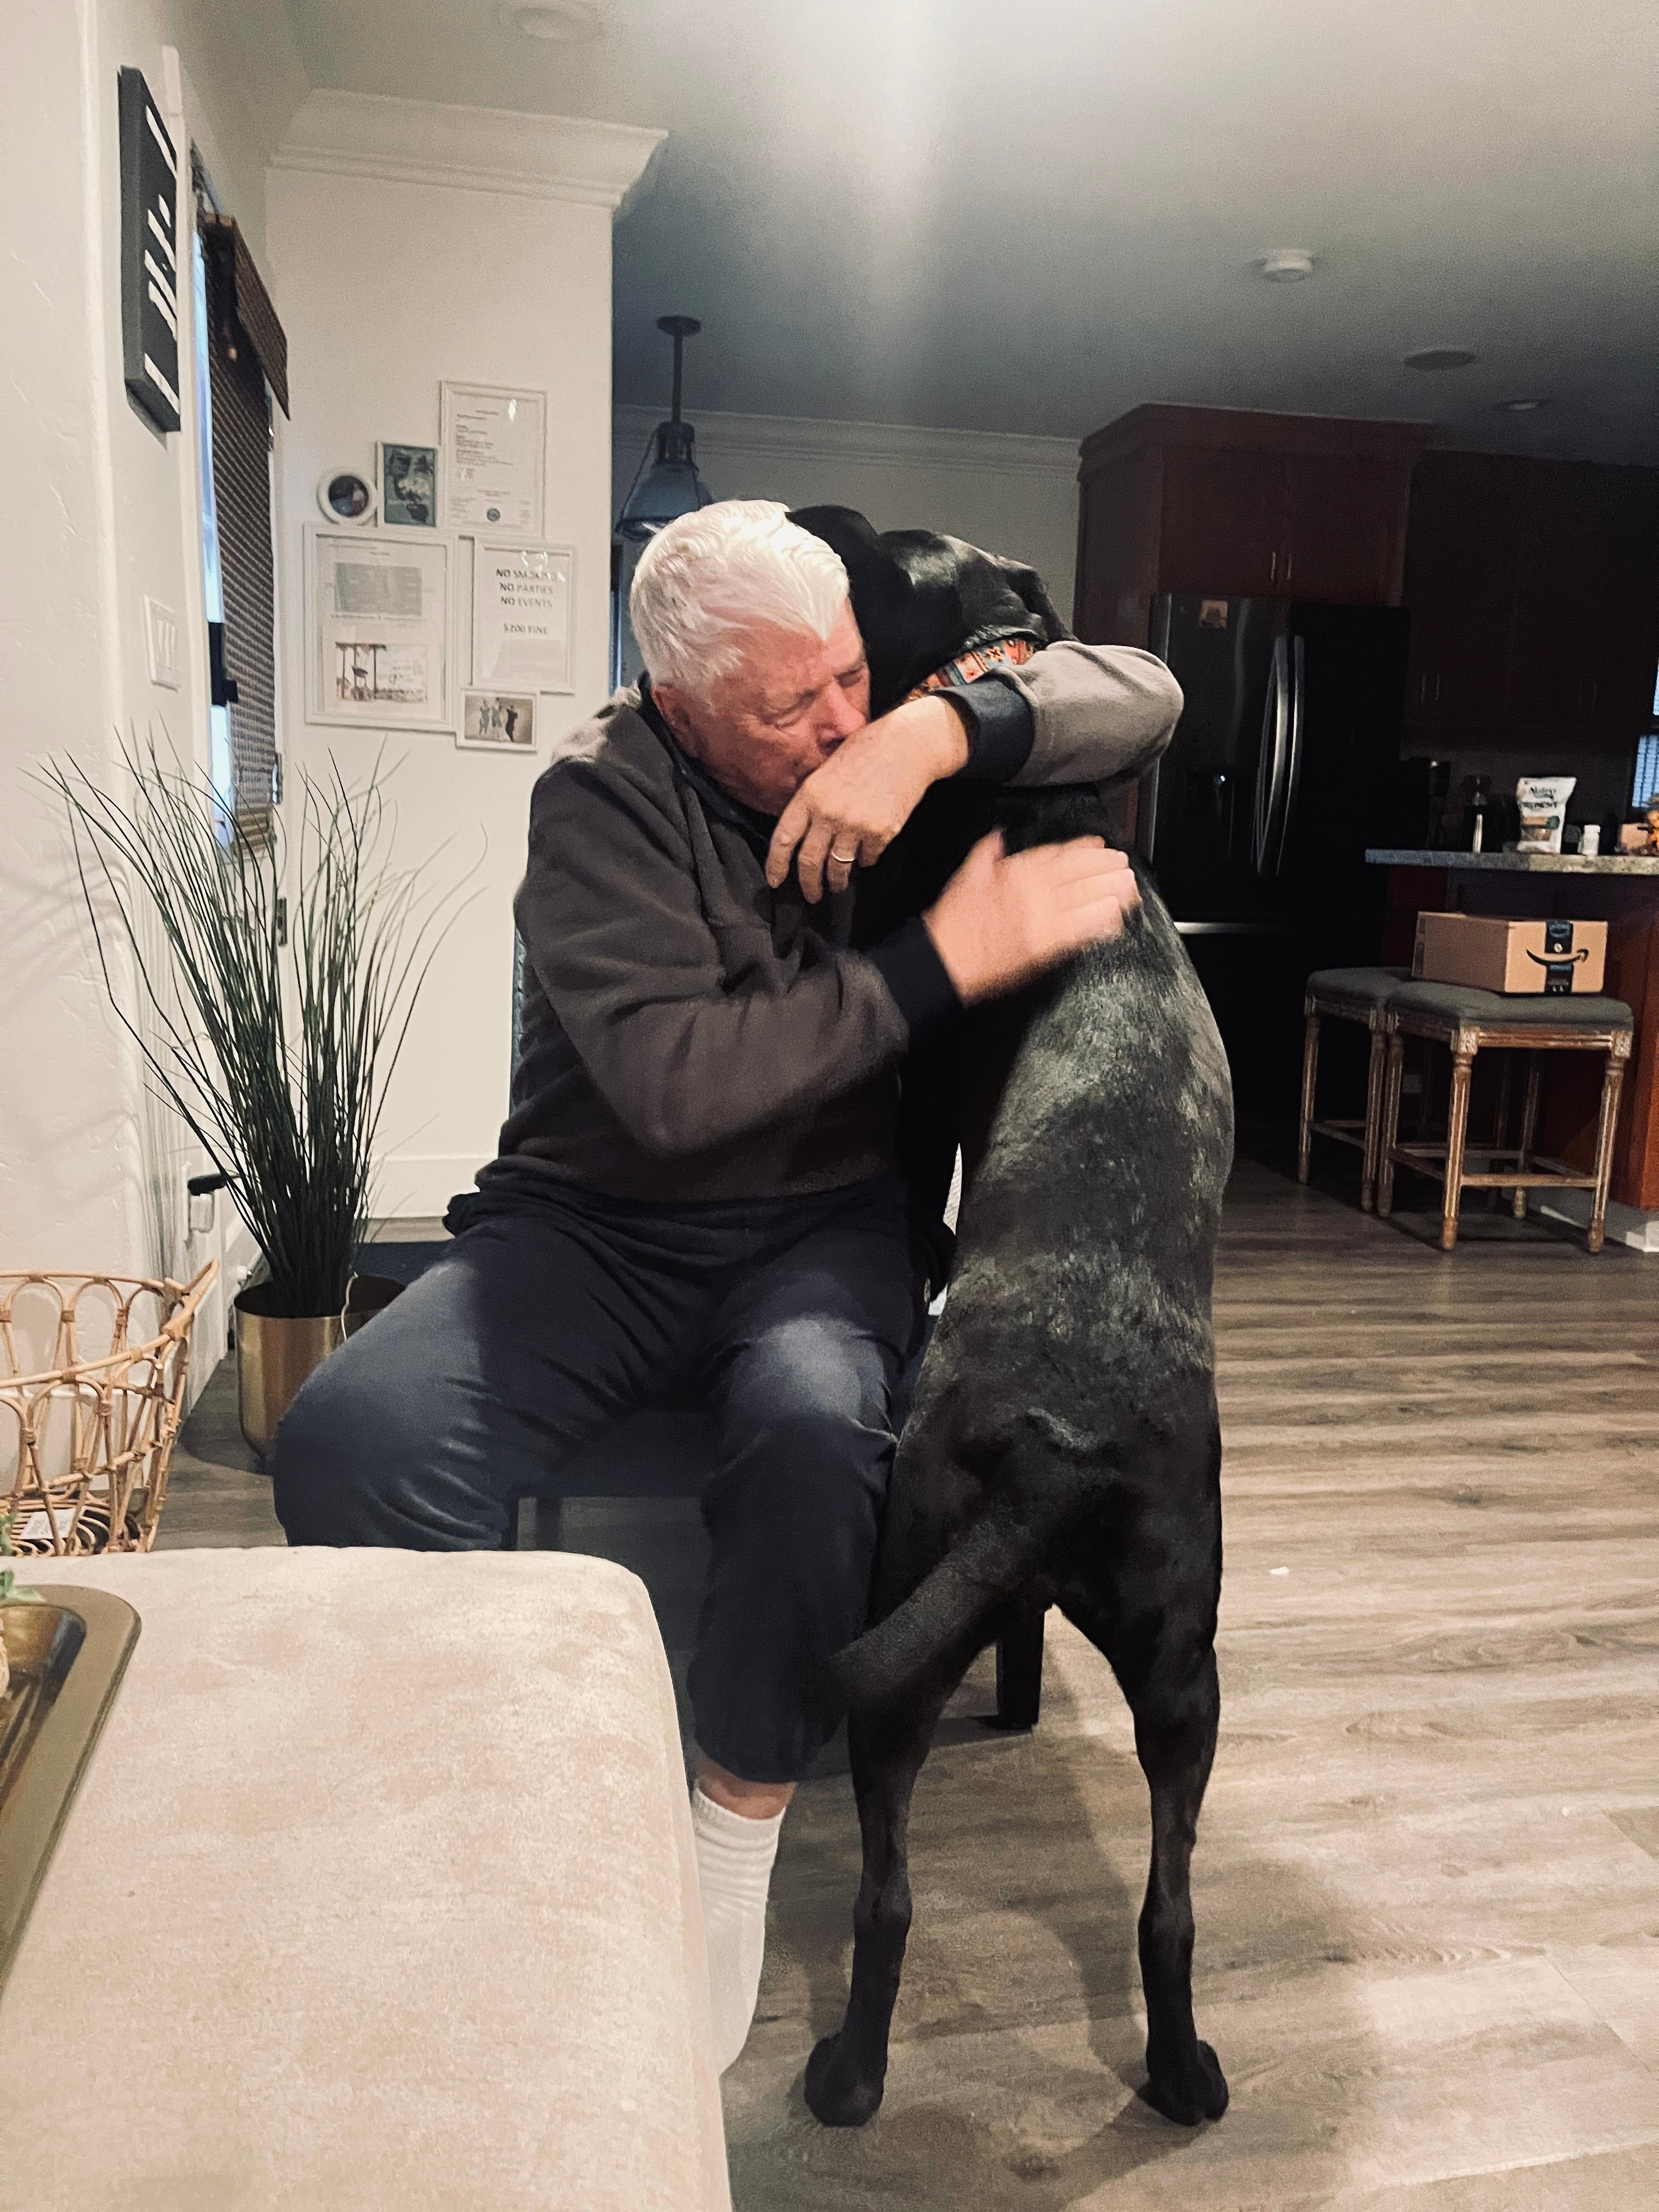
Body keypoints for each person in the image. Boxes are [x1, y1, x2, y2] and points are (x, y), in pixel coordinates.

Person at [270, 499, 1183, 2071]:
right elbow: (678, 1087)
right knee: (347, 1442)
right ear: (680, 706)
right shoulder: (599, 804)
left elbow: (1149, 692)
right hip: (590, 1232)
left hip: (821, 1235)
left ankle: (728, 1835)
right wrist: (938, 961)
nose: (836, 720)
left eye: (847, 679)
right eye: (792, 708)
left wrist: (931, 740)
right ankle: (504, 1777)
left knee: (819, 1428)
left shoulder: (884, 716)